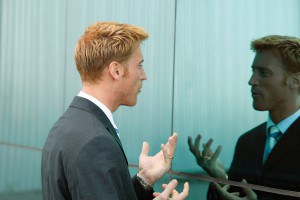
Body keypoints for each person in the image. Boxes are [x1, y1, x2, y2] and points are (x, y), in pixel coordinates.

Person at [42, 21, 189, 200]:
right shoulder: (95, 144)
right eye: (139, 65)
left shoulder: (66, 126)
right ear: (116, 71)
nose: (144, 75)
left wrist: (144, 179)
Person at [188, 35, 300, 200]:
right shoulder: (247, 142)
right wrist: (221, 178)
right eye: (253, 71)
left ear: (295, 81)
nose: (252, 81)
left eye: (264, 73)